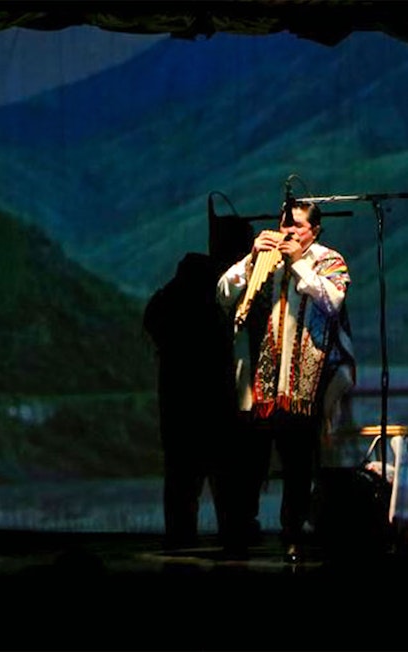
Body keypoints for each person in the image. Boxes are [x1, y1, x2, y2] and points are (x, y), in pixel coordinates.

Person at [216, 199, 355, 562]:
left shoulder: (329, 260)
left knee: (297, 466)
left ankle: (292, 533)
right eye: (285, 224)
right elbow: (223, 294)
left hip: (303, 386)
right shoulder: (265, 259)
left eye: (297, 226)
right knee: (250, 462)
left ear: (315, 230)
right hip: (262, 382)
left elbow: (332, 302)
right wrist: (249, 261)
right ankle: (240, 529)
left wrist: (297, 264)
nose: (289, 231)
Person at [143, 252, 237, 550]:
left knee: (180, 484)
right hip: (214, 408)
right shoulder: (211, 309)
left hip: (177, 409)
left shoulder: (163, 304)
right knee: (223, 481)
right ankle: (231, 540)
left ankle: (180, 540)